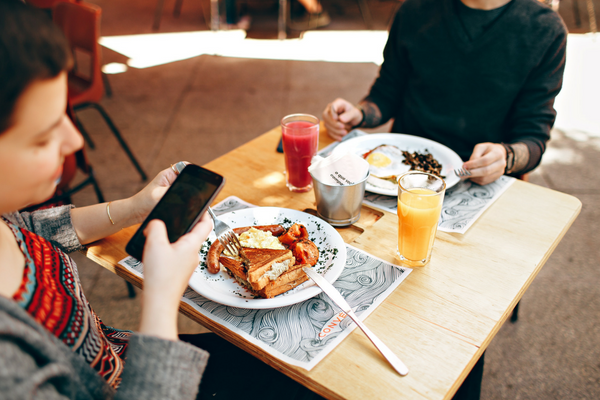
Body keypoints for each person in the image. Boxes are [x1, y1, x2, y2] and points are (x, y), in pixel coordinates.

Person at [0, 2, 322, 399]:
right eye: (44, 136)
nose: (75, 141)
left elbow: (32, 230)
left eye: (66, 115)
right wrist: (161, 297)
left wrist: (136, 207)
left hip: (124, 352)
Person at [322, 0, 567, 186]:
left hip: (478, 178)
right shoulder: (414, 11)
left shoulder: (545, 29)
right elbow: (387, 92)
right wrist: (360, 113)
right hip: (402, 171)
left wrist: (507, 156)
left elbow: (533, 138)